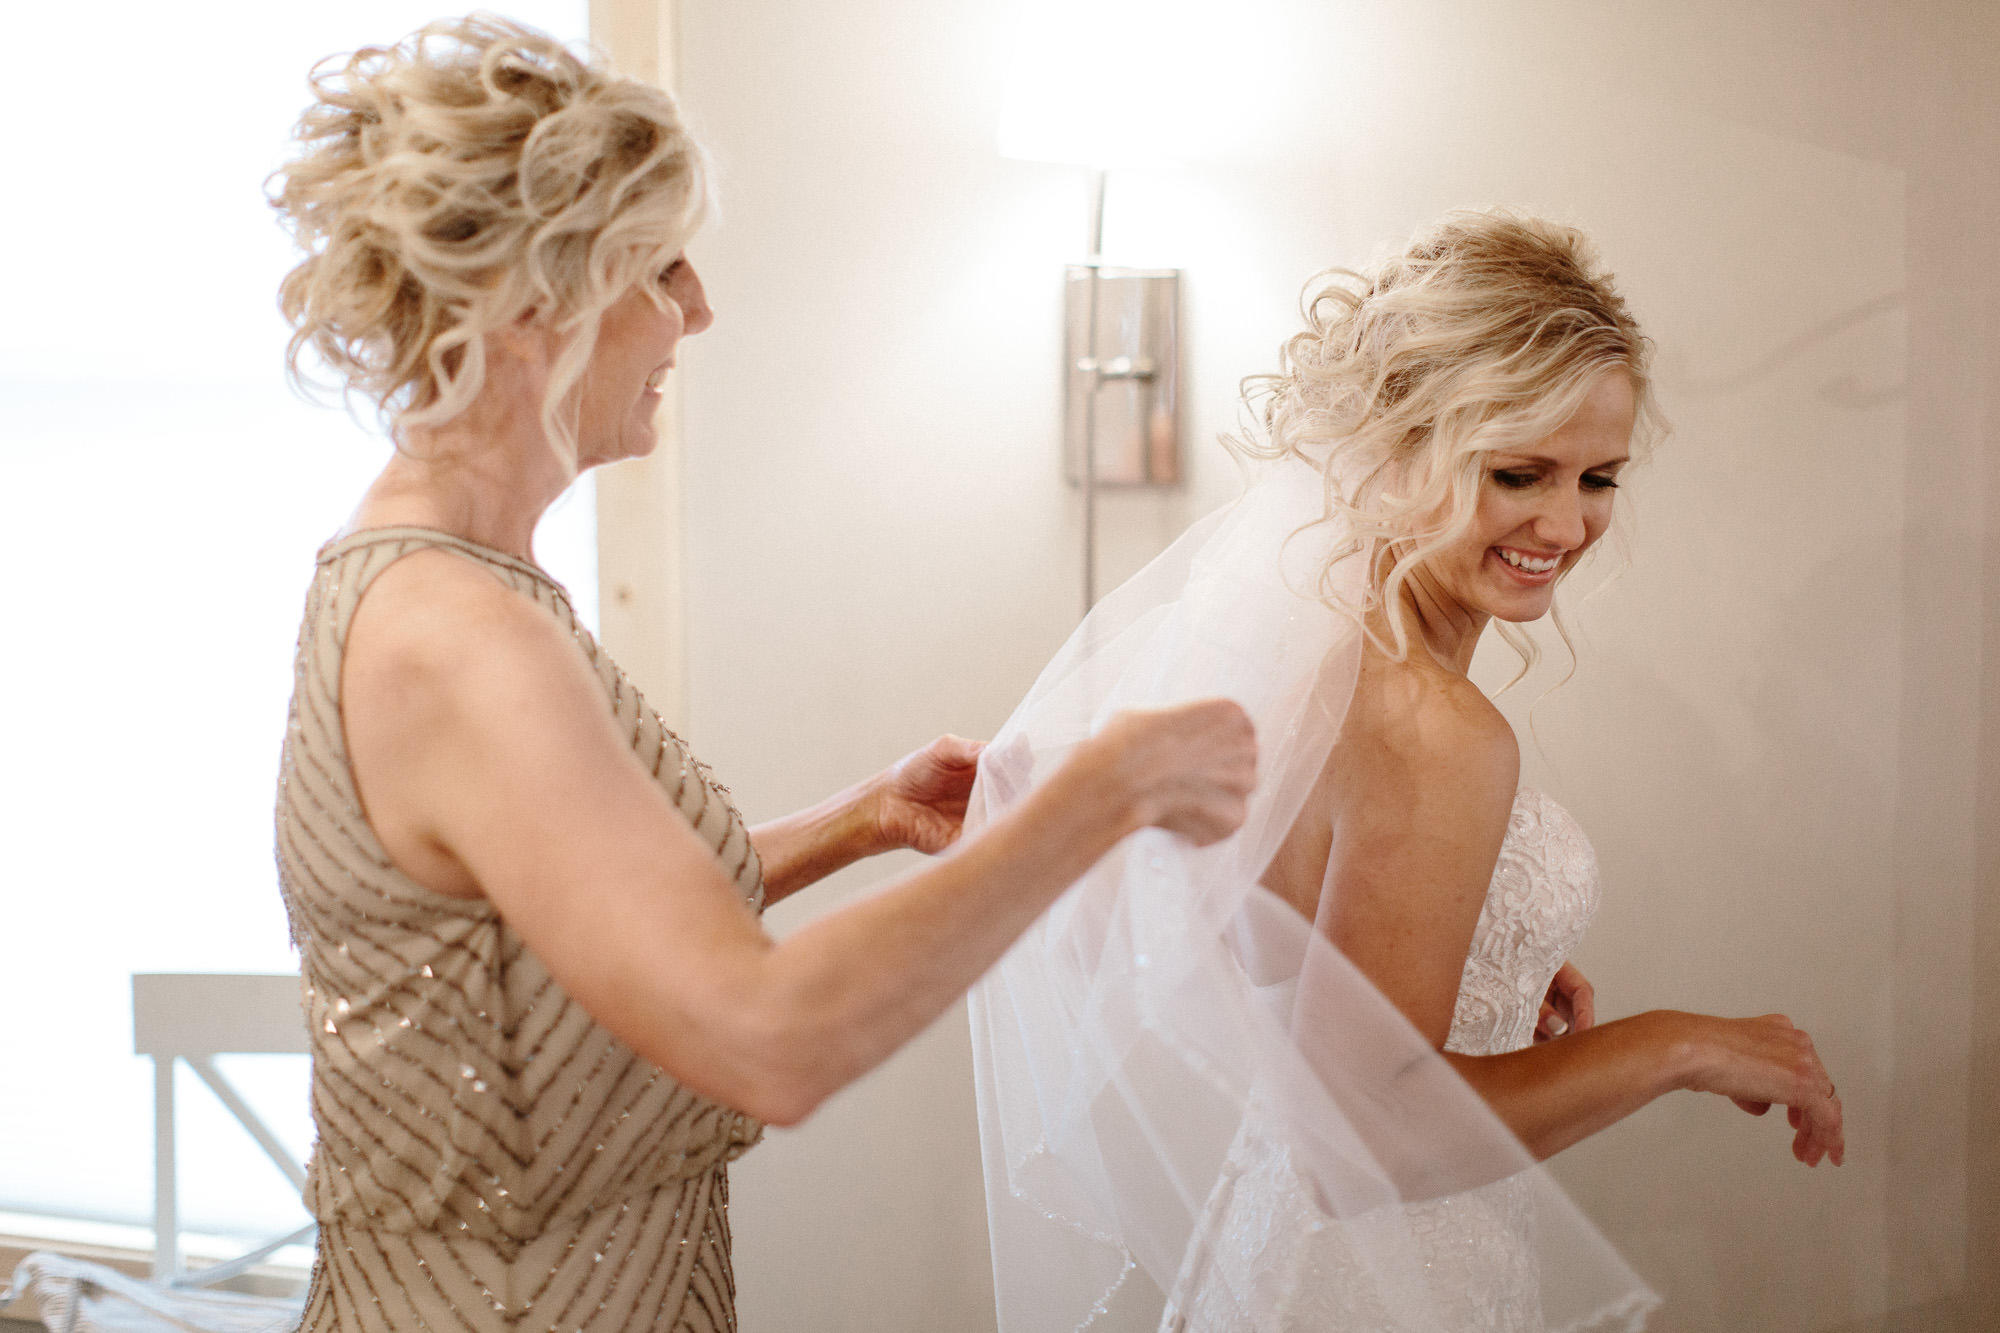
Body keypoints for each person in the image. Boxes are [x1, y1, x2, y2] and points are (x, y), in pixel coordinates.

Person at [266, 17, 1256, 1333]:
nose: (698, 312)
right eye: (662, 269)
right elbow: (766, 1040)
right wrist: (1108, 794)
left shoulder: (458, 581)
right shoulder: (457, 637)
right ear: (534, 305)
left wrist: (863, 820)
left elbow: (565, 918)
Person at [968, 211, 1844, 1332]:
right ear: (1395, 451)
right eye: (1518, 472)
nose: (1565, 523)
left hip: (1295, 1246)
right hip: (1371, 1278)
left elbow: (1266, 934)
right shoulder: (1434, 728)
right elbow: (1366, 1138)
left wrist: (1484, 945)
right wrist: (1682, 1042)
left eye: (1598, 478)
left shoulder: (1321, 660)